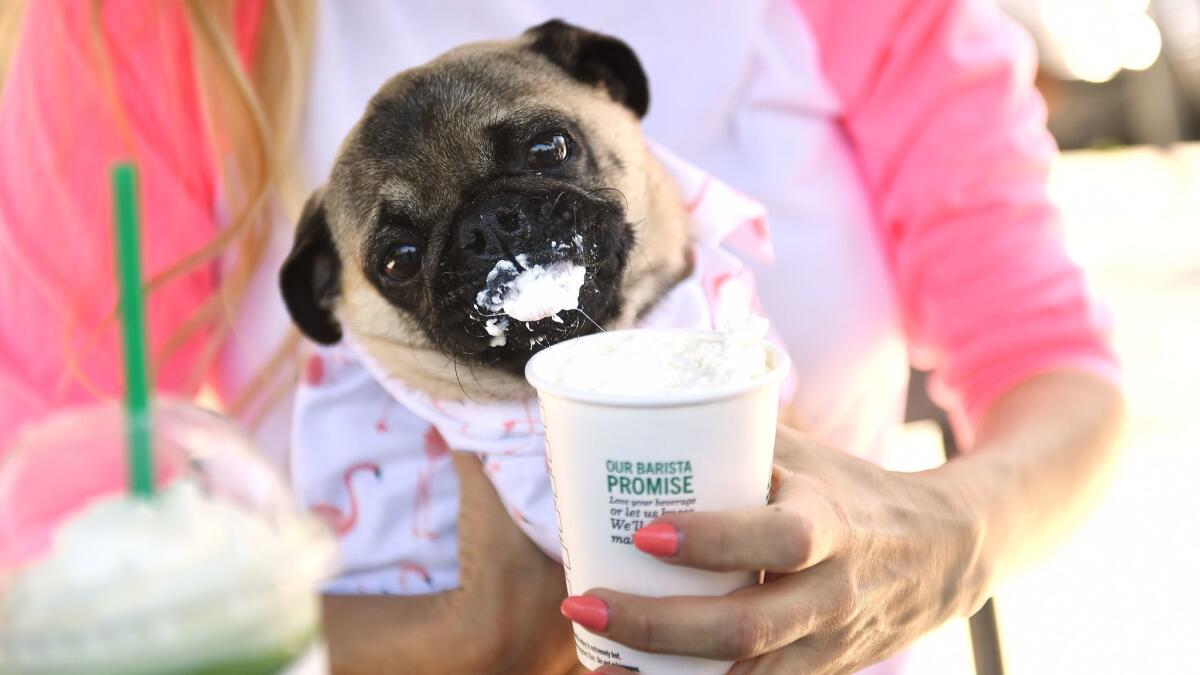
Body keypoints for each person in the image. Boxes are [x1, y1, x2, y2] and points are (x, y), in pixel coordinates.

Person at [0, 1, 1123, 673]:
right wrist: (410, 642)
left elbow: (1054, 367)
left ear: (609, 90)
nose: (494, 228)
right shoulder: (143, 27)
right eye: (401, 258)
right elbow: (35, 513)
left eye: (544, 157)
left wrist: (943, 537)